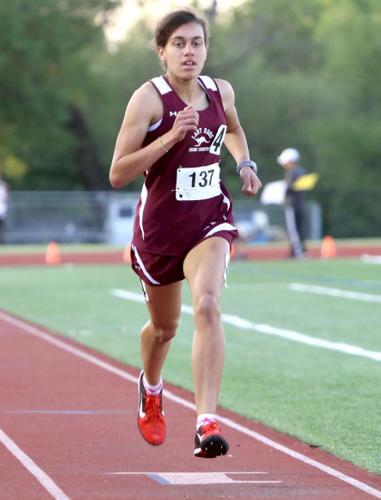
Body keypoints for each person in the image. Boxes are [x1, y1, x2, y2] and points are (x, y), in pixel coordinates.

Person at [108, 9, 261, 458]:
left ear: (206, 49)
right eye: (178, 44)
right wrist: (169, 138)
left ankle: (206, 421)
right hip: (159, 232)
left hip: (209, 222)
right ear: (162, 52)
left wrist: (245, 162)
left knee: (208, 305)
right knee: (164, 328)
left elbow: (232, 128)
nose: (188, 51)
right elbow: (117, 172)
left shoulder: (220, 92)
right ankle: (151, 388)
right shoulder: (149, 100)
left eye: (196, 43)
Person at [277, 147, 306, 258]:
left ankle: (298, 252)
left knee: (293, 230)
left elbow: (289, 189)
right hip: (299, 204)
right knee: (298, 229)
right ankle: (298, 251)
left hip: (292, 205)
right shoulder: (301, 172)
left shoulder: (293, 173)